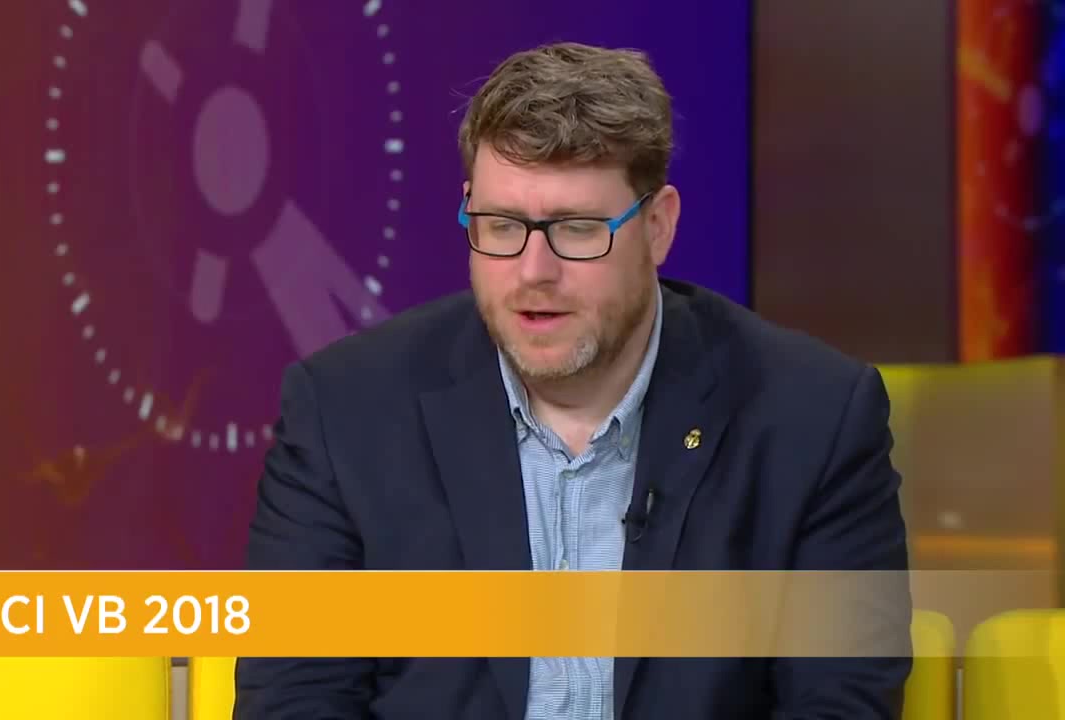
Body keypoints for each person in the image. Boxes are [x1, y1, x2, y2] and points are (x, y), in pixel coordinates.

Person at [234, 41, 912, 719]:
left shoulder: (813, 420)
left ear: (657, 227)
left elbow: (841, 705)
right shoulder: (344, 413)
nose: (534, 272)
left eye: (578, 230)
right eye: (502, 226)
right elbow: (294, 699)